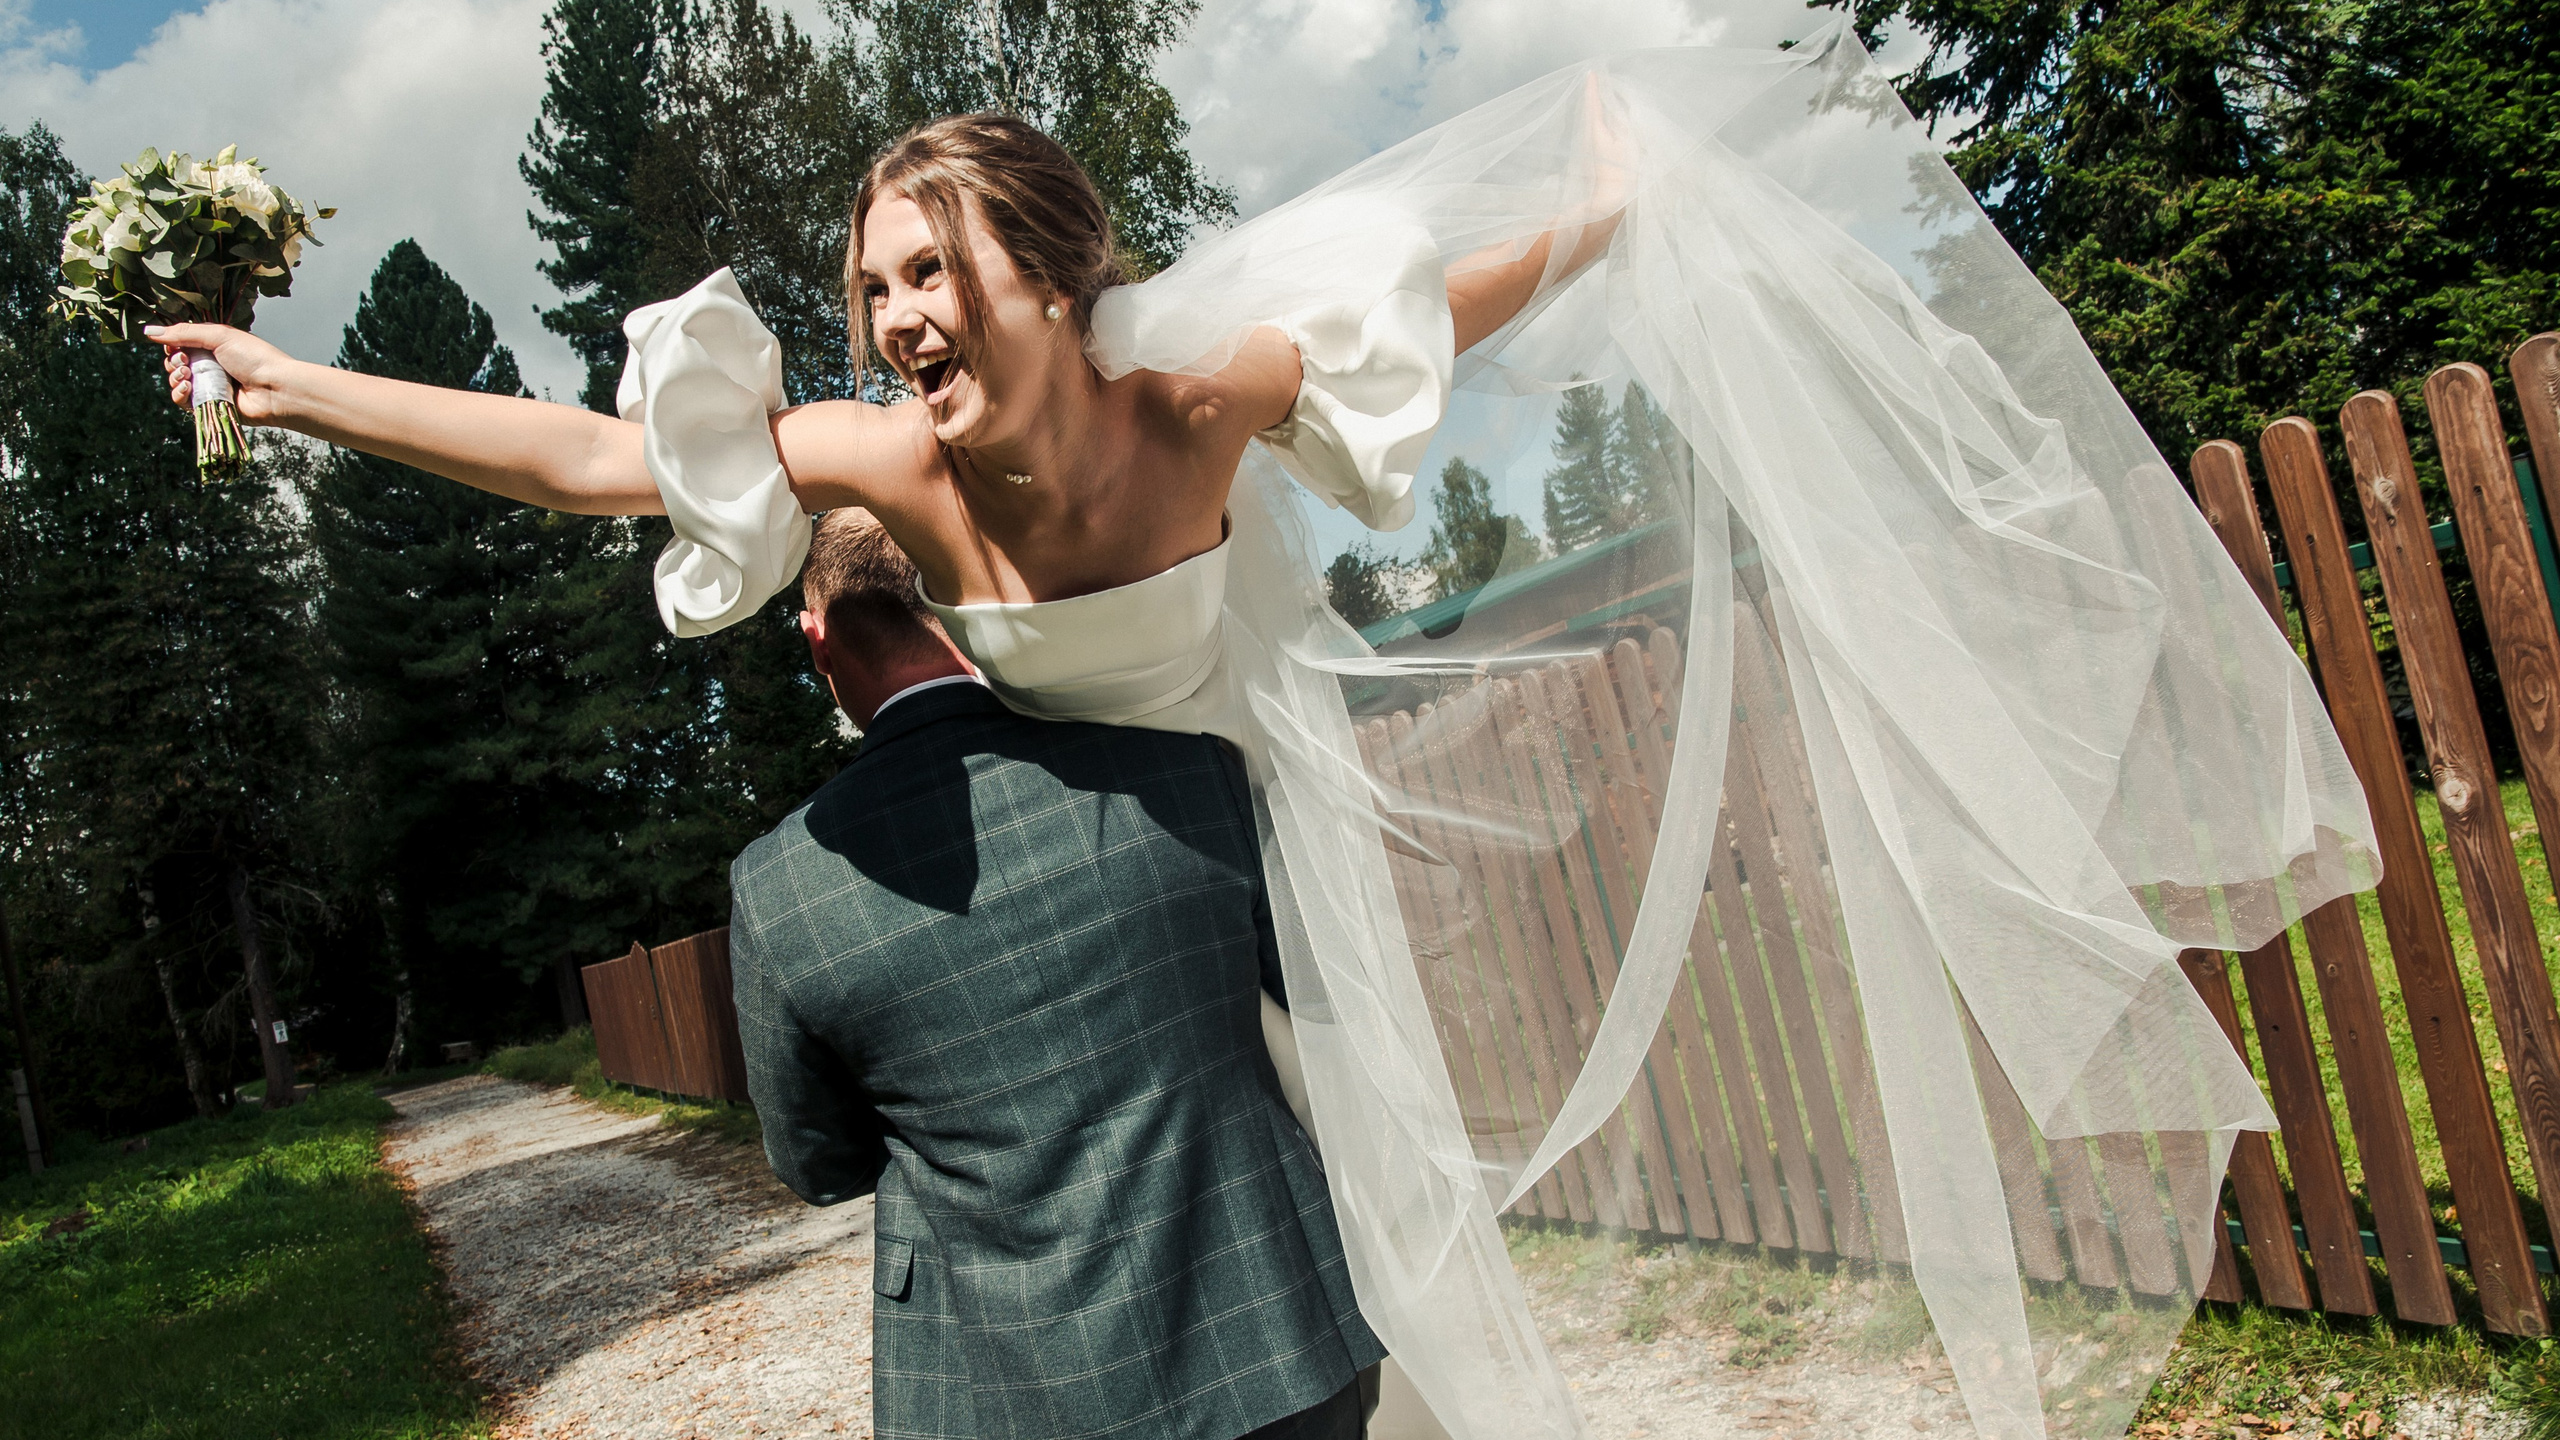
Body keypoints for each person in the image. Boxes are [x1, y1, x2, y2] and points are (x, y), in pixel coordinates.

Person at [149, 18, 2379, 1439]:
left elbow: (1443, 303)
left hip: (1258, 799)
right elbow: (578, 458)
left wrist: (1606, 207)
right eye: (869, 287)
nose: (894, 316)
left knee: (1362, 1202)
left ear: (1039, 265)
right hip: (1134, 833)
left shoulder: (1193, 399)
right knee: (1269, 1228)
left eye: (927, 268)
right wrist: (296, 385)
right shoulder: (886, 472)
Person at [733, 508, 1382, 1439]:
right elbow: (1315, 994)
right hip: (1270, 1332)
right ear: (971, 591)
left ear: (817, 638)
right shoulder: (1185, 769)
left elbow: (818, 1164)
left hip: (999, 1381)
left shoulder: (777, 890)